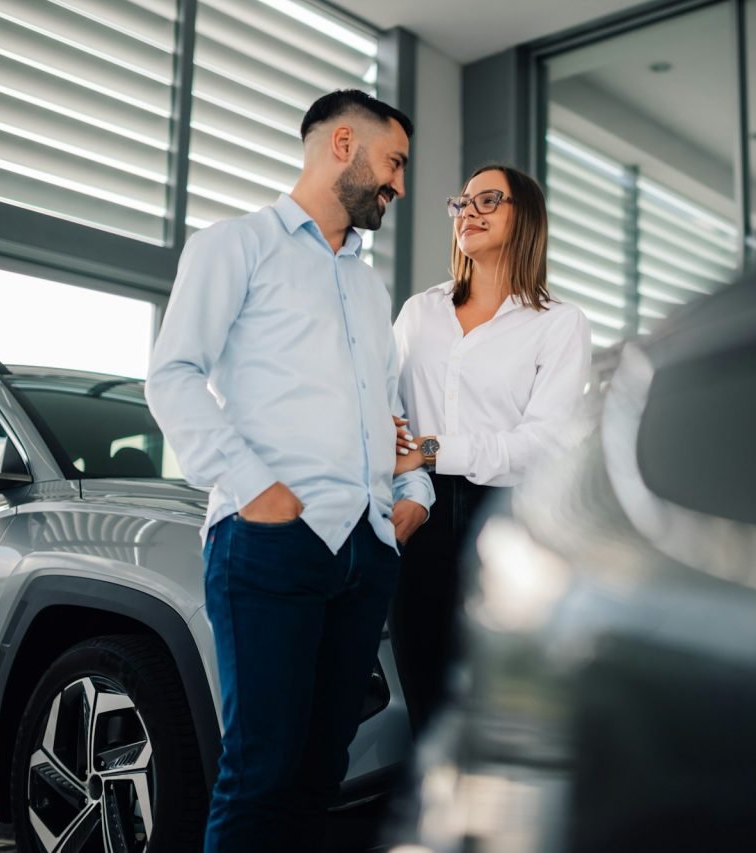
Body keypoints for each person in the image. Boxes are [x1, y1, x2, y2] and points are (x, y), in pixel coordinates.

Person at [145, 89, 433, 852]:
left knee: (317, 776)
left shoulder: (370, 289)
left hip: (364, 552)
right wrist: (254, 488)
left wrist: (412, 493)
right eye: (394, 162)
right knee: (260, 772)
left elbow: (388, 413)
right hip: (272, 541)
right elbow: (172, 374)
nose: (399, 185)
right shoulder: (235, 245)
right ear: (344, 144)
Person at [389, 164, 592, 734]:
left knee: (502, 709)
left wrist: (427, 449)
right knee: (426, 708)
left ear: (524, 215)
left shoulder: (559, 324)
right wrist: (410, 473)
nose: (468, 211)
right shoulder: (418, 313)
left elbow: (540, 445)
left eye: (488, 200)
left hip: (505, 524)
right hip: (416, 517)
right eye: (462, 203)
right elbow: (387, 412)